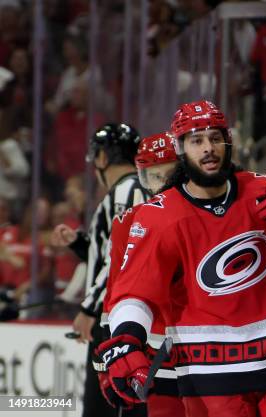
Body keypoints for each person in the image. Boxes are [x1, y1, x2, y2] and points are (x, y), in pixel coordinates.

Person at [103, 100, 266, 417]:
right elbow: (135, 293)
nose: (208, 148)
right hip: (210, 383)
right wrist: (127, 341)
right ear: (180, 148)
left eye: (215, 138)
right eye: (197, 140)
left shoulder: (265, 191)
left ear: (228, 141)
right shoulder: (158, 216)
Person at [50, 123, 147, 417]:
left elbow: (120, 260)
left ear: (103, 158)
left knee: (102, 406)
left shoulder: (126, 190)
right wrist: (81, 244)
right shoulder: (129, 190)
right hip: (118, 315)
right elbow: (111, 252)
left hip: (113, 319)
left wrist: (90, 308)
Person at [99, 131, 183, 417]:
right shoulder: (127, 223)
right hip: (158, 356)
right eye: (153, 177)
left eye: (169, 174)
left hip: (216, 355)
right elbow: (116, 293)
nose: (162, 185)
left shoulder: (206, 216)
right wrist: (110, 357)